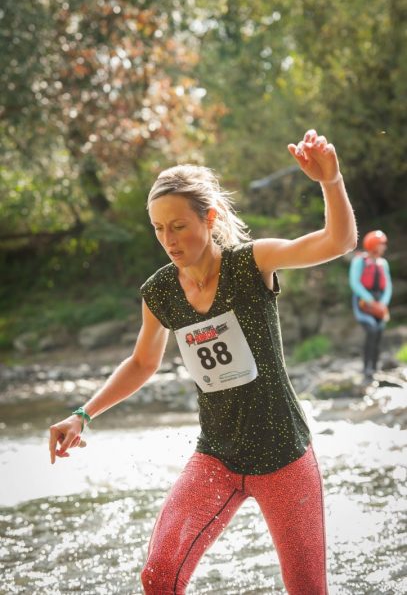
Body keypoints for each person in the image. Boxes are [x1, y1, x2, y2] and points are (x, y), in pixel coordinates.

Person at [49, 129, 357, 594]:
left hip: (284, 457)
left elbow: (339, 241)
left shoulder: (251, 263)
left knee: (308, 590)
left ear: (208, 219)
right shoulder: (160, 291)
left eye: (178, 226)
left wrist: (330, 182)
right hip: (216, 457)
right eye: (158, 228)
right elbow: (141, 362)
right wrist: (82, 414)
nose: (168, 239)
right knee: (159, 575)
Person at [349, 230, 392, 381]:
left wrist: (382, 304)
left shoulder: (383, 263)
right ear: (373, 245)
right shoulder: (359, 261)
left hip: (379, 303)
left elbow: (388, 286)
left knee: (379, 332)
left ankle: (374, 368)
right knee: (371, 330)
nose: (384, 247)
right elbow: (355, 283)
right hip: (363, 303)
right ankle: (366, 369)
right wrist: (370, 301)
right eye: (382, 244)